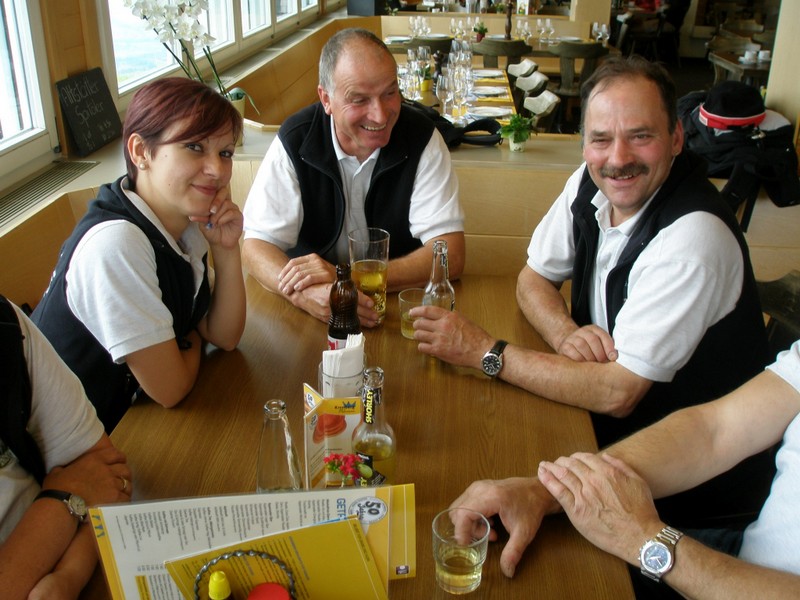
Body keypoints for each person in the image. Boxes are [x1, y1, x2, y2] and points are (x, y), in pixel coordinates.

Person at [412, 56, 772, 526]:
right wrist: (565, 334)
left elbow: (617, 392)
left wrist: (484, 352)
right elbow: (533, 278)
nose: (618, 159)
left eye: (640, 136)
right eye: (601, 139)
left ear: (676, 138)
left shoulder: (693, 239)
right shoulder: (591, 180)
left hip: (686, 503)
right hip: (601, 436)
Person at [449, 339, 800, 598]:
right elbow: (714, 430)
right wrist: (547, 491)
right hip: (737, 557)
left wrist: (645, 539)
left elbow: (617, 392)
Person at [32, 78, 247, 432]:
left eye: (225, 153)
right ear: (140, 152)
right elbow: (171, 389)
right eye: (194, 147)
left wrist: (226, 249)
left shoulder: (185, 222)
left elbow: (224, 336)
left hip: (124, 419)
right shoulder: (117, 244)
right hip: (68, 446)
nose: (217, 170)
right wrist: (190, 338)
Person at [242, 28, 465, 327]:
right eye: (359, 100)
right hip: (311, 314)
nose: (380, 115)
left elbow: (450, 254)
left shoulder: (422, 138)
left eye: (390, 93)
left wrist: (345, 280)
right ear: (326, 99)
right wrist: (303, 295)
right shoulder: (296, 140)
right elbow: (256, 247)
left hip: (398, 310)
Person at [0, 295, 132, 600]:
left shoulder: (7, 326)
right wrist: (63, 501)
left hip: (81, 557)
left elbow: (108, 473)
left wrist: (69, 575)